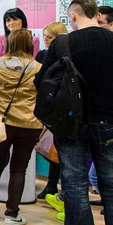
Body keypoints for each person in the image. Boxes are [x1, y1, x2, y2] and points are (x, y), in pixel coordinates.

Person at [36, 0, 113, 225]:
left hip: (71, 122)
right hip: (108, 121)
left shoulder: (63, 43)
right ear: (96, 14)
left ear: (72, 15)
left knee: (75, 184)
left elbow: (42, 81)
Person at [0, 29, 42, 225]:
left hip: (1, 122)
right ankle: (12, 214)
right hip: (29, 123)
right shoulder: (38, 67)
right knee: (18, 169)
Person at [36, 21, 67, 199]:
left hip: (59, 108)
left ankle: (57, 188)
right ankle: (51, 184)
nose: (46, 40)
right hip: (45, 106)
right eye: (45, 36)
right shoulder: (41, 54)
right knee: (50, 150)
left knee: (58, 151)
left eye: (50, 37)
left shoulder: (65, 58)